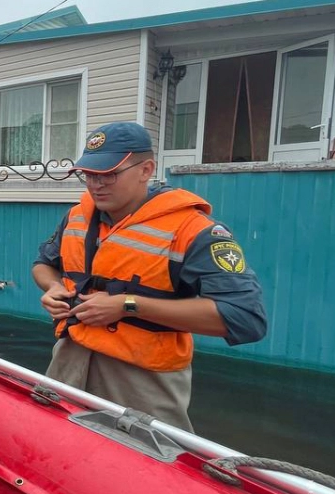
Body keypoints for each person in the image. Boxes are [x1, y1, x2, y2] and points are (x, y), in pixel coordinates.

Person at [32, 121, 266, 431]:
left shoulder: (193, 231)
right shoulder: (77, 216)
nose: (96, 185)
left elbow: (246, 318)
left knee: (147, 464)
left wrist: (127, 305)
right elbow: (43, 264)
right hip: (70, 362)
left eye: (109, 174)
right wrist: (53, 287)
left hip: (142, 381)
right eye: (90, 175)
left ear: (146, 170)